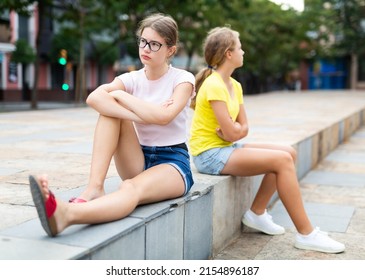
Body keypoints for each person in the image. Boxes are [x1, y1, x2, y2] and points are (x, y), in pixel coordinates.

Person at [28, 13, 195, 237]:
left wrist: (121, 96)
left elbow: (164, 117)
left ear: (171, 50)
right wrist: (141, 113)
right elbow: (94, 98)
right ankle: (94, 187)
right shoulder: (132, 79)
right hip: (137, 157)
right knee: (108, 113)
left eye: (155, 44)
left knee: (130, 188)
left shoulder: (182, 79)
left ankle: (67, 215)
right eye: (143, 41)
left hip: (172, 162)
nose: (146, 48)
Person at [189, 26, 345, 254]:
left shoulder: (235, 85)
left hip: (225, 147)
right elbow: (234, 131)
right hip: (209, 155)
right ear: (228, 54)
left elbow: (242, 128)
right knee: (281, 161)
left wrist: (236, 131)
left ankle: (257, 213)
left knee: (288, 152)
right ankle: (306, 233)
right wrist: (235, 131)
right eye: (240, 48)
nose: (244, 52)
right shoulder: (214, 85)